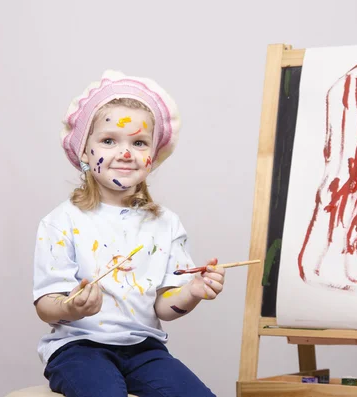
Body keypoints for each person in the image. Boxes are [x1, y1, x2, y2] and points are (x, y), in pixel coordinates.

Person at [32, 70, 223, 397]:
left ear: (152, 157)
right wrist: (71, 308)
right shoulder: (61, 221)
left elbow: (164, 308)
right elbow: (46, 305)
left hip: (144, 349)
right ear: (84, 151)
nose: (125, 153)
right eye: (108, 140)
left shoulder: (166, 224)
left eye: (138, 142)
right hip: (77, 348)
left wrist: (192, 291)